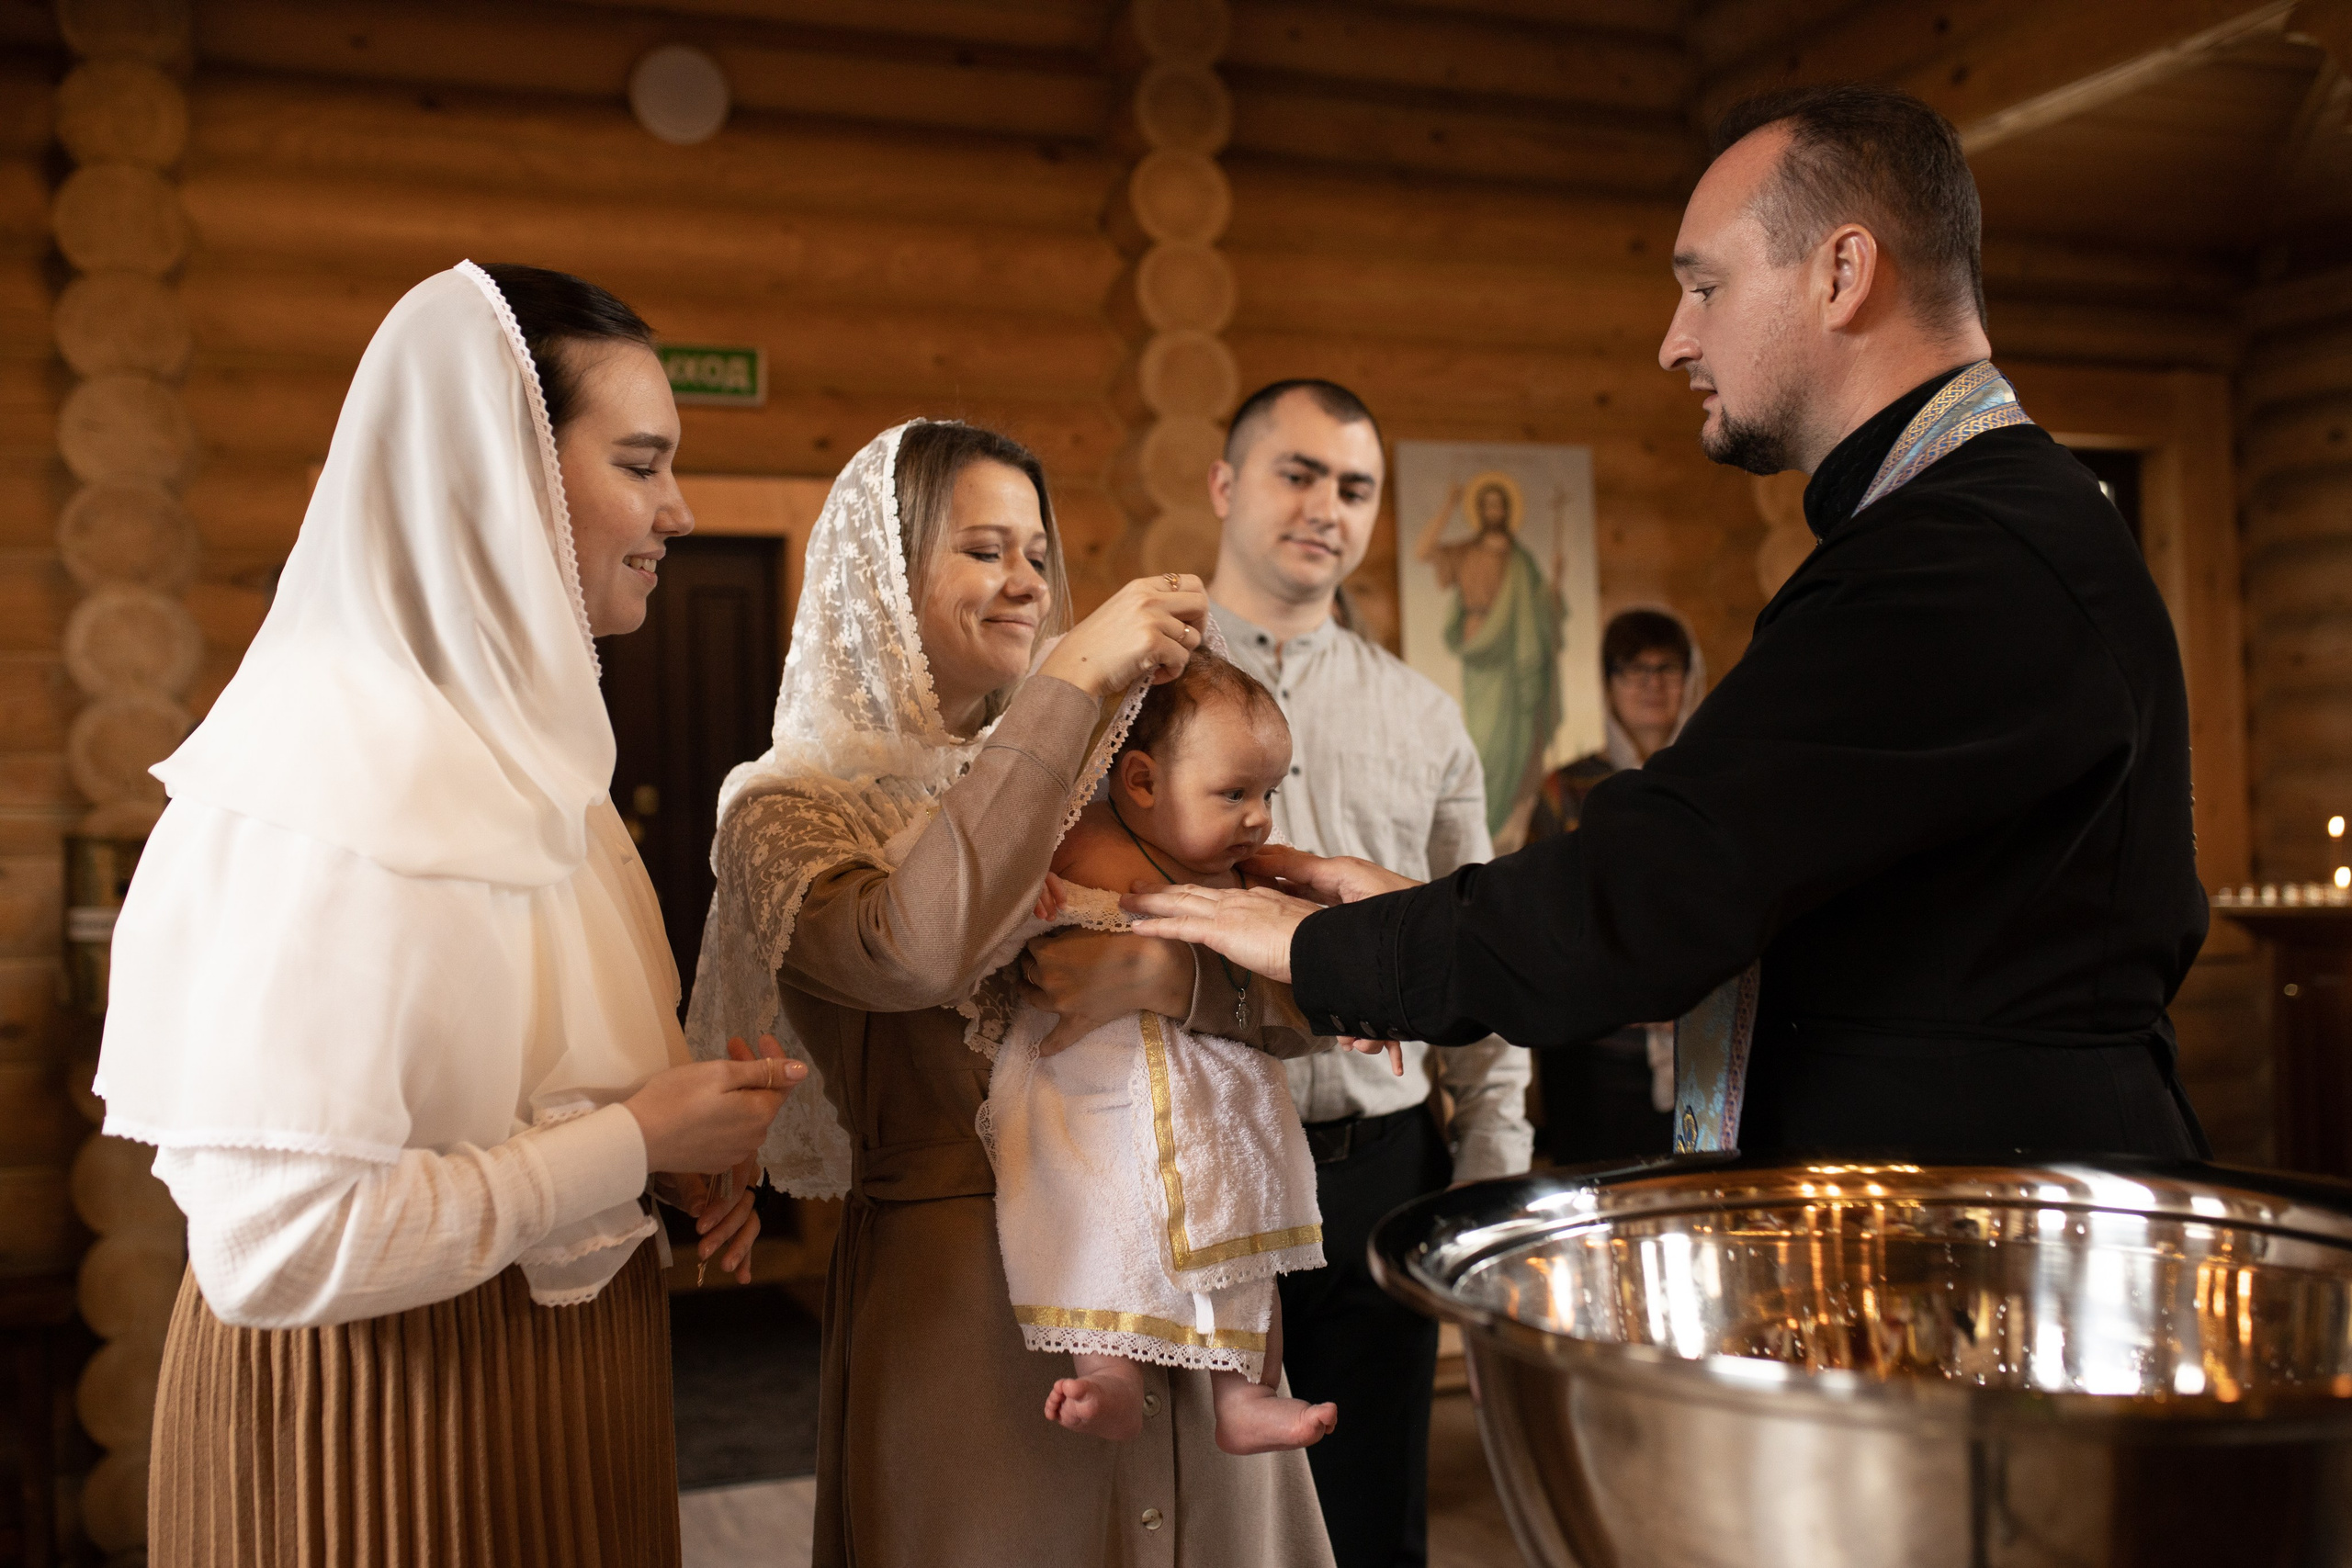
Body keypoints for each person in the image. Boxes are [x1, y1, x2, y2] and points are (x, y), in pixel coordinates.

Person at [1127, 86, 2210, 1166]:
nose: (1672, 341)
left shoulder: (1964, 550)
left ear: (1841, 274)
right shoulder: (1960, 526)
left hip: (1988, 1220)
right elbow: (1774, 886)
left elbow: (1671, 882)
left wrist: (1330, 950)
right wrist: (1421, 915)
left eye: (1704, 285)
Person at [96, 263, 798, 1565]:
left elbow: (528, 1106)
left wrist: (676, 1149)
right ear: (494, 473)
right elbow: (279, 1244)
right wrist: (629, 1138)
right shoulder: (333, 772)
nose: (678, 511)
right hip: (378, 1417)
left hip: (560, 1371)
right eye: (641, 465)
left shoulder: (543, 766)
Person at [688, 420, 1336, 1567]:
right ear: (885, 573)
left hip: (1177, 1286)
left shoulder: (1110, 778)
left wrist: (1175, 979)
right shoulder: (789, 813)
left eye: (1037, 552)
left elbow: (1295, 994)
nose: (1028, 583)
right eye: (985, 550)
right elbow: (912, 951)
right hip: (966, 1314)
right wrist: (1074, 681)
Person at [1193, 378, 1535, 1568]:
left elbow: (1478, 948)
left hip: (1387, 1168)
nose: (1324, 506)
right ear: (1226, 485)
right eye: (1296, 472)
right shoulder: (1142, 692)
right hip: (1207, 1165)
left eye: (1354, 485)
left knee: (1374, 1512)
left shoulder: (1426, 716)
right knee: (1204, 1513)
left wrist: (1494, 1163)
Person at [998, 651, 1337, 1454]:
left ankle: (1245, 1393)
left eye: (1269, 794)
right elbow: (1005, 918)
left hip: (1216, 1103)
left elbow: (1301, 987)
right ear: (1142, 781)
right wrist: (1033, 899)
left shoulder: (1245, 879)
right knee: (1102, 1230)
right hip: (1098, 1097)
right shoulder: (1078, 841)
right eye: (1234, 793)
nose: (1259, 817)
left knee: (1244, 1251)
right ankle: (1110, 1376)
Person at [1522, 606, 1709, 1161]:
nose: (1652, 684)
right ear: (1608, 683)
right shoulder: (1568, 788)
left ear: (1689, 679)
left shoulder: (1713, 777)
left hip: (1702, 1042)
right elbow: (1543, 912)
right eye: (1634, 669)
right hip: (1597, 1046)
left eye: (1667, 668)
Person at [1414, 471, 1564, 840]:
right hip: (1479, 649)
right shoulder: (1465, 551)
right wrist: (1449, 504)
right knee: (1482, 739)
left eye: (1499, 505)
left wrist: (1555, 583)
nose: (1494, 511)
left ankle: (1502, 829)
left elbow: (1539, 607)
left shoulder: (1521, 560)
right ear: (1479, 510)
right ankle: (1479, 826)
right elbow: (1423, 550)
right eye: (1487, 504)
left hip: (1514, 657)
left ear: (1507, 511)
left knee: (1514, 739)